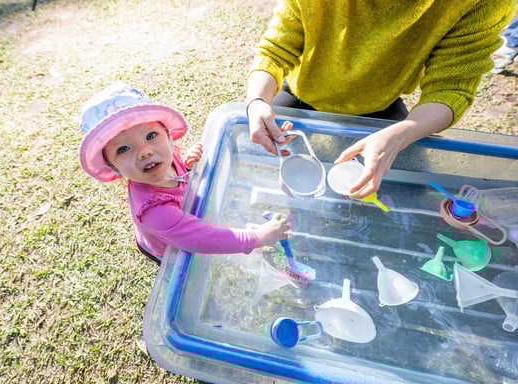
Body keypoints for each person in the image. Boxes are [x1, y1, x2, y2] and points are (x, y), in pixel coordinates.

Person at [246, 0, 516, 200]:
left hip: (381, 106)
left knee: (410, 190)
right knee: (267, 169)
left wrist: (402, 134)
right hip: (301, 93)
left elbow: (451, 88)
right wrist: (257, 100)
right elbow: (277, 48)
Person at [79, 82, 290, 265]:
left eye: (151, 135)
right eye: (123, 149)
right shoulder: (154, 212)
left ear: (168, 135)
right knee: (179, 265)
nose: (145, 151)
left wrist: (188, 166)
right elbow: (202, 239)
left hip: (181, 224)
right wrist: (257, 237)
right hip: (169, 246)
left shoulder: (164, 158)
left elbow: (179, 172)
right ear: (113, 167)